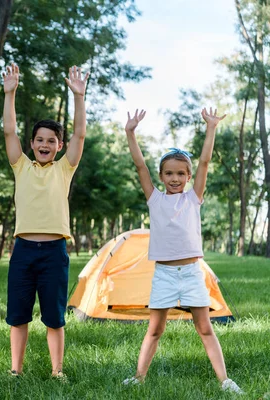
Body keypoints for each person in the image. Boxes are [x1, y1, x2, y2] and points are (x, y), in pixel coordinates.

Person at [122, 108, 243, 394]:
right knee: (155, 329)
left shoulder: (193, 199)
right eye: (169, 173)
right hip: (163, 274)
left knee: (204, 328)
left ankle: (225, 381)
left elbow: (205, 161)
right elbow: (140, 166)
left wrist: (211, 128)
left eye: (180, 173)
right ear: (162, 176)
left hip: (191, 272)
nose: (174, 178)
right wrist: (130, 133)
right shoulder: (154, 199)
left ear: (188, 177)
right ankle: (139, 376)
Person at [1, 63, 89, 380]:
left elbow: (80, 133)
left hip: (54, 253)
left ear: (59, 146)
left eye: (51, 141)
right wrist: (9, 93)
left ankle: (57, 371)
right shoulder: (20, 166)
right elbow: (8, 131)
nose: (44, 145)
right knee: (18, 316)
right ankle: (15, 370)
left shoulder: (64, 169)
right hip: (23, 250)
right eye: (40, 139)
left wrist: (78, 97)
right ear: (32, 143)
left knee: (54, 317)